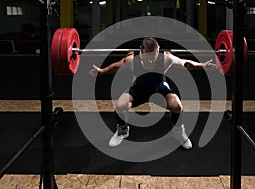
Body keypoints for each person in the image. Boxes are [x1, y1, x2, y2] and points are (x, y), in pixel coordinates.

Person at [89, 37, 217, 149]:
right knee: (120, 106)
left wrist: (202, 66)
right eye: (147, 56)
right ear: (141, 50)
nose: (151, 60)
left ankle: (178, 131)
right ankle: (122, 130)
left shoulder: (166, 58)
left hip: (159, 90)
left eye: (154, 56)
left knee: (177, 106)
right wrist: (102, 71)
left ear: (158, 49)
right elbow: (117, 66)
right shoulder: (132, 59)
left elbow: (186, 64)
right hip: (138, 90)